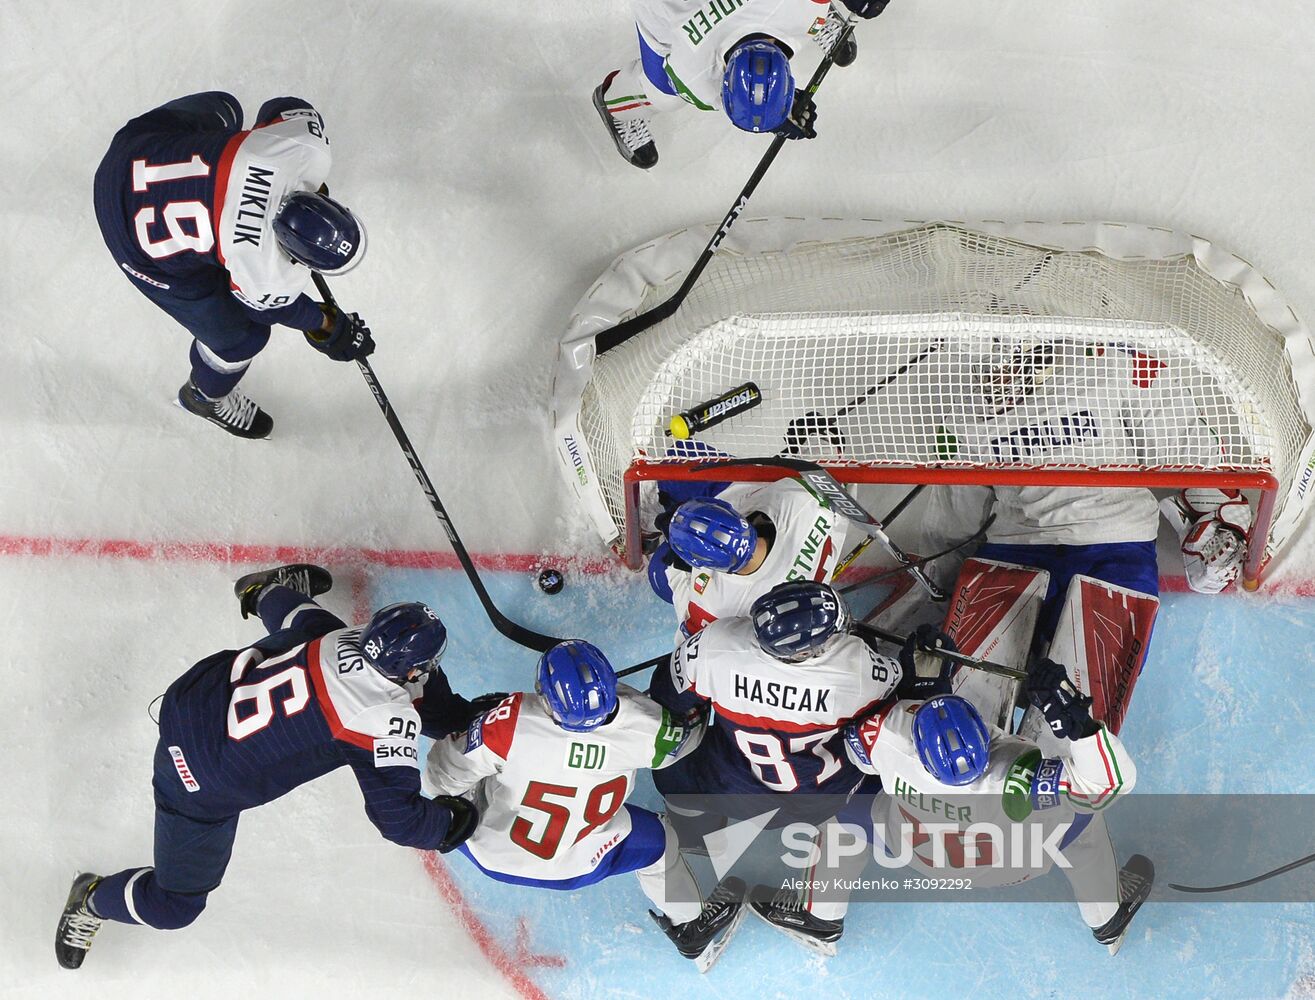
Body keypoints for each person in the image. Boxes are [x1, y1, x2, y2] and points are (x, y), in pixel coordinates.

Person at [54, 564, 478, 971]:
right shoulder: (382, 720)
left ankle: (262, 589)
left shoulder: (341, 637)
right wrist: (457, 820)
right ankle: (91, 897)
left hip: (193, 699)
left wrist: (265, 594)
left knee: (306, 630)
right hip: (195, 782)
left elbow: (303, 622)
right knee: (174, 907)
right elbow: (400, 820)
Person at [648, 581, 941, 951]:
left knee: (671, 746)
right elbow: (903, 716)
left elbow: (664, 696)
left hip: (727, 786)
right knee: (874, 786)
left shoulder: (716, 644)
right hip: (823, 798)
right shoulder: (861, 669)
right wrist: (925, 680)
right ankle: (823, 918)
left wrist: (717, 702)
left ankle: (695, 830)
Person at [425, 640, 744, 969]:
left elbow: (440, 774)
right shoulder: (647, 728)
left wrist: (476, 730)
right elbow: (685, 738)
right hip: (577, 864)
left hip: (489, 853)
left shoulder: (509, 724)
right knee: (662, 844)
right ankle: (691, 926)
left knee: (467, 777)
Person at [93, 92, 375, 439]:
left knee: (227, 109)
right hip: (130, 241)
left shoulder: (305, 148)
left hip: (129, 153)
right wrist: (329, 328)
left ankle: (208, 240)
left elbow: (280, 106)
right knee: (241, 338)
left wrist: (267, 161)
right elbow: (267, 311)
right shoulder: (268, 271)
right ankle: (203, 397)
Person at [841, 661, 1153, 954]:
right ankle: (1106, 917)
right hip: (1012, 867)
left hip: (917, 854)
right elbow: (1112, 784)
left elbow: (859, 754)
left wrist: (919, 693)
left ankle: (819, 914)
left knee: (832, 803)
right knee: (1085, 816)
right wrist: (1080, 726)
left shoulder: (887, 736)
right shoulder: (1014, 774)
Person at [592, 0, 888, 168]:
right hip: (667, 15)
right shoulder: (689, 68)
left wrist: (776, 111)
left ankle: (821, 19)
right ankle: (616, 103)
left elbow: (726, 95)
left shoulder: (794, 5)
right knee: (664, 95)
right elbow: (720, 94)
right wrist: (771, 113)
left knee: (809, 11)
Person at [647, 479, 849, 640]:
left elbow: (688, 649)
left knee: (659, 570)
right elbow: (828, 464)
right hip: (817, 524)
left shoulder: (712, 607)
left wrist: (677, 564)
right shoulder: (796, 499)